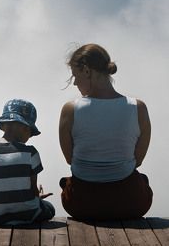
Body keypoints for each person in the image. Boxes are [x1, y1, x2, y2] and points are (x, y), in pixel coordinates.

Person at [59, 43, 153, 220]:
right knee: (143, 180)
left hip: (81, 204)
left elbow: (69, 158)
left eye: (75, 76)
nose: (75, 83)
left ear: (86, 71)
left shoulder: (70, 109)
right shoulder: (138, 108)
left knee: (67, 184)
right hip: (131, 203)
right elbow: (137, 160)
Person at [0, 99, 55, 225]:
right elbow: (33, 190)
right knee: (49, 208)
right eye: (31, 133)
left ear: (3, 125)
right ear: (26, 128)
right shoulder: (30, 152)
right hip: (28, 215)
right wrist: (37, 199)